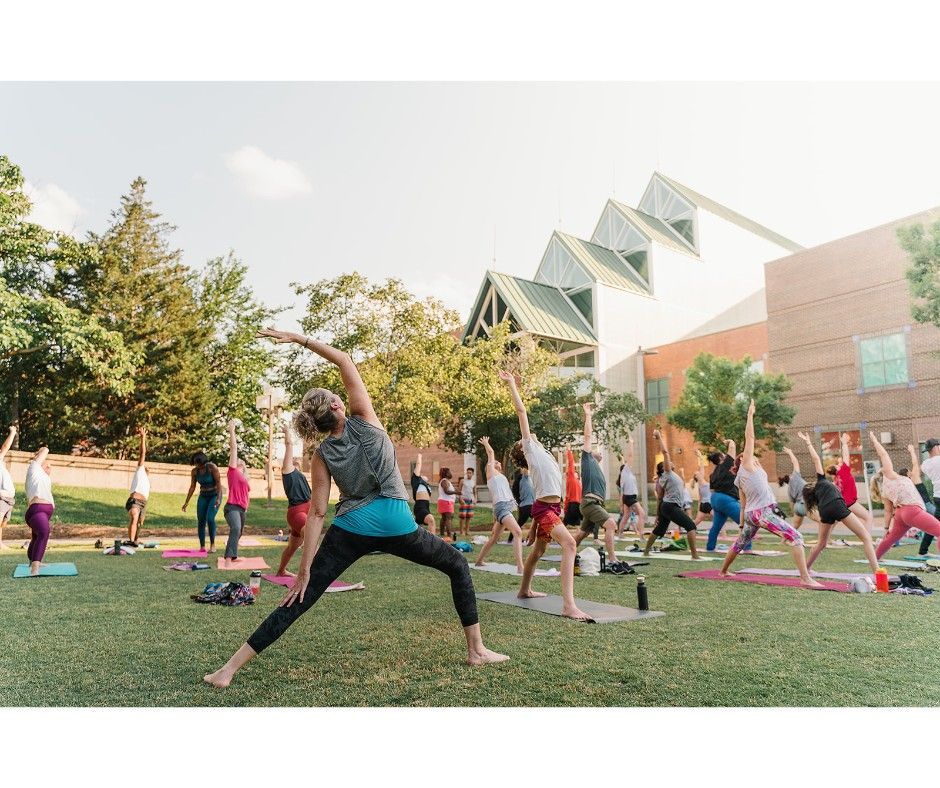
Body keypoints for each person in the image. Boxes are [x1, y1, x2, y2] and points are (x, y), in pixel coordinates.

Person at [204, 328, 507, 689]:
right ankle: (476, 650)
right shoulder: (365, 420)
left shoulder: (321, 454)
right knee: (457, 564)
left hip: (351, 527)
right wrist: (301, 340)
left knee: (300, 599)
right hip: (396, 522)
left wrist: (304, 572)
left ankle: (228, 670)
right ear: (336, 406)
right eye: (336, 395)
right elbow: (344, 359)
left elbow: (316, 514)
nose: (340, 396)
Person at [499, 370, 590, 621]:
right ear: (523, 447)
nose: (526, 436)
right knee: (570, 544)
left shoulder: (544, 454)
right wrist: (511, 384)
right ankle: (569, 605)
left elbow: (544, 494)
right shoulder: (530, 448)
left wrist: (534, 527)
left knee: (538, 551)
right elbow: (521, 412)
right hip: (546, 510)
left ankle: (524, 589)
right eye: (523, 438)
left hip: (548, 508)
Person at [718, 401, 822, 588]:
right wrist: (750, 415)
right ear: (745, 459)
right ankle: (805, 578)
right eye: (749, 455)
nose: (753, 456)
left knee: (740, 542)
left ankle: (723, 570)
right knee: (796, 537)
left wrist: (742, 525)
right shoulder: (747, 466)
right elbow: (749, 437)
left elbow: (743, 505)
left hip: (752, 514)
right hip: (761, 513)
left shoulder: (741, 478)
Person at [795, 432, 879, 574]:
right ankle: (878, 572)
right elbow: (816, 459)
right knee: (865, 537)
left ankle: (806, 568)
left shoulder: (819, 496)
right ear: (813, 486)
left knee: (821, 543)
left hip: (825, 511)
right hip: (838, 505)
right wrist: (808, 442)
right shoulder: (822, 480)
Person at [869, 432, 940, 559]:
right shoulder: (891, 475)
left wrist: (886, 529)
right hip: (912, 511)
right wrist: (875, 441)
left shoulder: (885, 490)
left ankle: (874, 560)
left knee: (889, 540)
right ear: (885, 472)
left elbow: (888, 511)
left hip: (900, 514)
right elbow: (883, 454)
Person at [573, 403, 619, 564]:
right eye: (596, 449)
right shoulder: (586, 459)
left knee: (582, 534)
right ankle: (612, 558)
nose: (599, 451)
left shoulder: (597, 468)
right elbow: (587, 436)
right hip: (590, 503)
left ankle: (569, 552)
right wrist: (588, 415)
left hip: (594, 504)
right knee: (611, 524)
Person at [643, 430, 700, 559]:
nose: (670, 462)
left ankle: (646, 552)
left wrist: (658, 514)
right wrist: (659, 437)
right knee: (691, 526)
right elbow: (665, 453)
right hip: (670, 506)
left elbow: (660, 498)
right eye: (667, 463)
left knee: (659, 530)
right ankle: (694, 555)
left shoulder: (669, 476)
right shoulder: (667, 473)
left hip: (666, 506)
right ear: (664, 468)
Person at [474, 436, 524, 573]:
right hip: (502, 507)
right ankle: (520, 567)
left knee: (494, 538)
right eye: (496, 462)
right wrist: (486, 444)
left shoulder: (499, 476)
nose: (498, 463)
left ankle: (479, 561)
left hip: (502, 507)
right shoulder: (491, 472)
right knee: (518, 532)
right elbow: (490, 453)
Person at [276, 422, 311, 576]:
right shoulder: (288, 471)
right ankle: (311, 573)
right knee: (311, 538)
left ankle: (281, 571)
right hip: (298, 513)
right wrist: (287, 432)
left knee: (292, 547)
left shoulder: (299, 475)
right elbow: (289, 444)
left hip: (304, 511)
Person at [706, 438, 747, 552]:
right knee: (745, 522)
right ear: (721, 458)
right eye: (724, 455)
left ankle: (710, 547)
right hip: (725, 499)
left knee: (716, 526)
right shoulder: (725, 465)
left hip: (715, 499)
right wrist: (731, 442)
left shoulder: (713, 473)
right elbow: (732, 449)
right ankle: (747, 548)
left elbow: (712, 489)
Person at [826, 433, 873, 530]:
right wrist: (844, 444)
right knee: (868, 517)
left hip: (842, 504)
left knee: (833, 523)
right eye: (836, 465)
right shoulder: (843, 471)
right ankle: (867, 537)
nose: (838, 464)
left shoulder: (835, 479)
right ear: (836, 469)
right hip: (850, 503)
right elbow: (846, 455)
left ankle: (826, 540)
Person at [222, 420, 251, 567]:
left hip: (241, 508)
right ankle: (227, 559)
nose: (239, 460)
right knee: (236, 529)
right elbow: (234, 449)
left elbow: (247, 495)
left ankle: (233, 556)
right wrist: (232, 430)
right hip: (232, 507)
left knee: (239, 533)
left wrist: (247, 506)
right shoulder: (232, 473)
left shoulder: (245, 478)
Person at [183, 449, 222, 552]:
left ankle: (213, 544)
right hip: (203, 496)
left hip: (214, 495)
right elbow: (192, 487)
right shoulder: (195, 472)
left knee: (210, 518)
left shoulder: (212, 468)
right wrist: (186, 502)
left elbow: (219, 484)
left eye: (201, 465)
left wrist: (218, 499)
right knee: (201, 520)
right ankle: (202, 546)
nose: (199, 467)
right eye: (197, 465)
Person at [24, 446, 55, 576]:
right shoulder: (34, 469)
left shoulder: (45, 479)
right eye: (47, 465)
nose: (50, 468)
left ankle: (33, 560)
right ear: (38, 465)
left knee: (36, 537)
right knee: (43, 532)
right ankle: (35, 568)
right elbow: (45, 450)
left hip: (43, 512)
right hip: (37, 511)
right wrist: (43, 449)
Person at [778, 445, 817, 531]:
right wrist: (790, 452)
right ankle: (826, 540)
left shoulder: (789, 489)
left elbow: (791, 503)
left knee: (795, 526)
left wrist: (794, 513)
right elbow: (795, 462)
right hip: (804, 505)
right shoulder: (796, 477)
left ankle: (783, 541)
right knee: (822, 521)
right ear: (790, 476)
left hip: (797, 507)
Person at [125, 427, 149, 546]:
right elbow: (142, 453)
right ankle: (130, 541)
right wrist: (143, 437)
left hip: (143, 503)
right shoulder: (140, 469)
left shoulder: (146, 480)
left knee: (140, 523)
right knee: (134, 517)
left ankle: (134, 539)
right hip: (135, 500)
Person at [917, 438, 940, 554]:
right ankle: (923, 550)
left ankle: (923, 550)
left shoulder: (925, 464)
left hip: (937, 496)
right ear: (936, 447)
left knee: (934, 525)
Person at [617, 439, 645, 537]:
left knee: (626, 516)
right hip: (630, 497)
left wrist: (621, 503)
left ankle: (620, 533)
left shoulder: (625, 474)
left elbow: (621, 492)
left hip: (628, 497)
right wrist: (631, 443)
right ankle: (641, 534)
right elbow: (630, 455)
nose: (630, 463)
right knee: (642, 513)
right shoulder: (626, 470)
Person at [410, 452, 437, 535]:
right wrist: (419, 455)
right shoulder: (416, 480)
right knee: (431, 520)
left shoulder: (427, 486)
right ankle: (433, 542)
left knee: (417, 529)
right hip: (420, 506)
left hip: (426, 506)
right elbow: (418, 465)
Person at [0, 425, 17, 550]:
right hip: (2, 497)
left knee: (3, 523)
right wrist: (13, 432)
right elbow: (5, 448)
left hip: (8, 497)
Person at [508, 467, 534, 544]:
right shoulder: (524, 478)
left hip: (526, 505)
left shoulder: (528, 479)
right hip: (528, 506)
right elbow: (525, 468)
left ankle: (510, 539)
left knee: (519, 523)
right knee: (540, 521)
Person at [562, 446, 583, 528]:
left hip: (576, 504)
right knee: (570, 522)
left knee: (567, 522)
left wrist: (568, 451)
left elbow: (570, 464)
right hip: (575, 504)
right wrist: (568, 451)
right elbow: (570, 464)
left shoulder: (575, 481)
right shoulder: (571, 480)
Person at [691, 452, 713, 530]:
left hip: (704, 504)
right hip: (708, 504)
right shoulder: (701, 482)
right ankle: (724, 536)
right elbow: (702, 467)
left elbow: (700, 499)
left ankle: (688, 529)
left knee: (697, 520)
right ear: (697, 476)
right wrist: (700, 456)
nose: (698, 472)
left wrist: (698, 509)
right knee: (717, 519)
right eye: (697, 473)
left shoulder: (700, 484)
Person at [437, 467, 456, 539]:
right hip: (446, 501)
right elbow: (447, 491)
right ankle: (449, 535)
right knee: (448, 518)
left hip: (444, 501)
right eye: (449, 472)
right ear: (446, 474)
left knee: (444, 518)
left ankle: (442, 533)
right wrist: (456, 492)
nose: (451, 473)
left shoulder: (445, 481)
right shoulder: (444, 481)